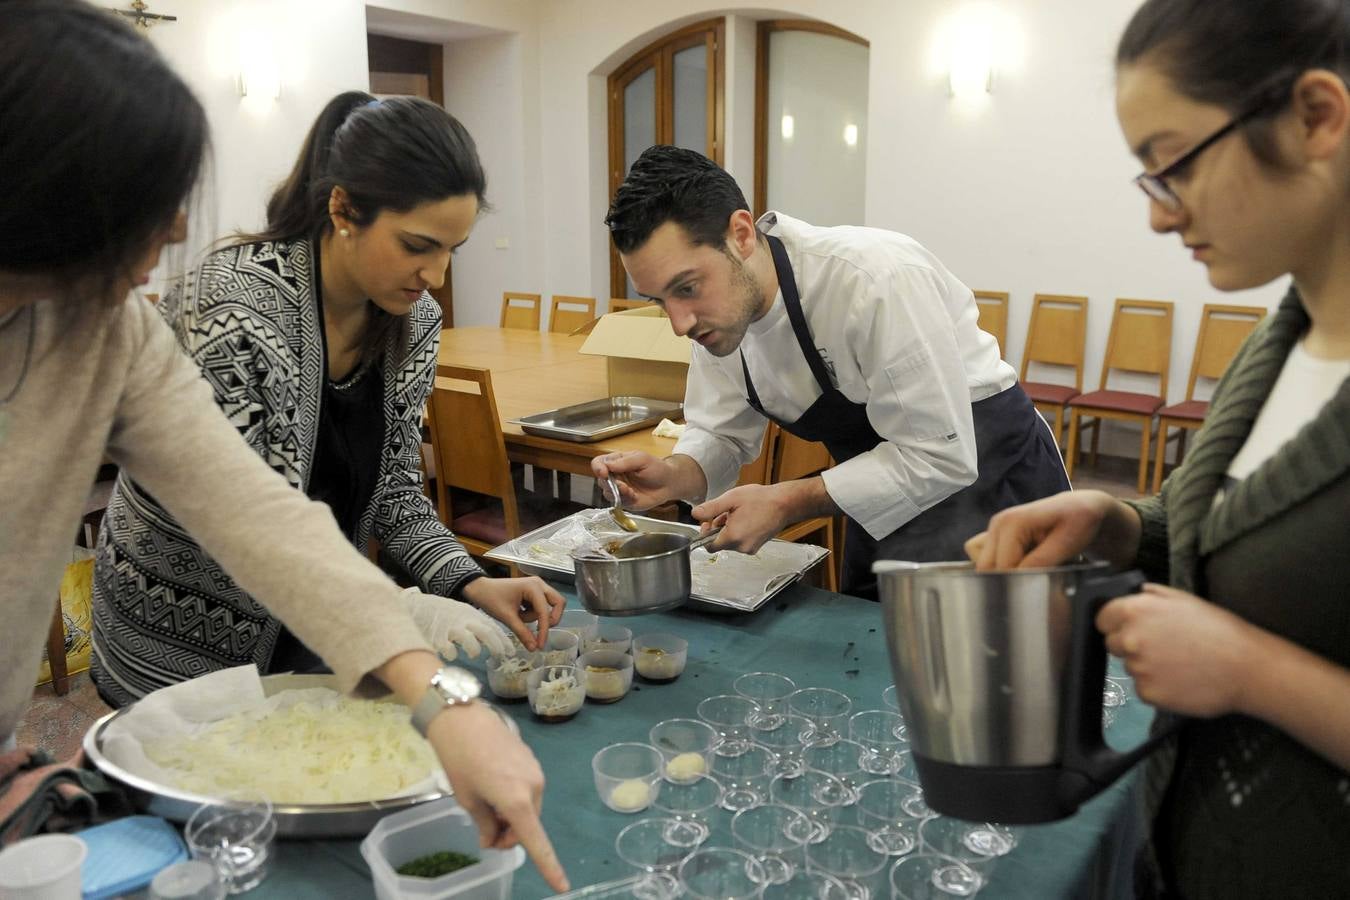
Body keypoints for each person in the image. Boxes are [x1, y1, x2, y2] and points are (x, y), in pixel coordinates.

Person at [0, 2, 567, 889]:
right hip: (177, 650)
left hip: (294, 643)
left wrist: (446, 681)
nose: (178, 231)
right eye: (149, 201)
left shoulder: (109, 333)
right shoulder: (233, 298)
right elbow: (247, 538)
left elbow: (263, 518)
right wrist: (416, 633)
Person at [966, 1, 1350, 896]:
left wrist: (1254, 674)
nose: (1159, 217)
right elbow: (1242, 545)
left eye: (1172, 164)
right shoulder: (1281, 341)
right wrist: (1118, 522)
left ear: (1316, 116)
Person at [91, 92, 565, 706]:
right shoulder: (231, 304)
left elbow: (393, 489)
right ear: (343, 209)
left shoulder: (411, 322)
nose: (437, 275)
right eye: (417, 246)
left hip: (318, 621)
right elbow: (242, 524)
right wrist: (404, 613)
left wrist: (469, 581)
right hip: (179, 640)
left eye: (452, 250)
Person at [593, 146, 1069, 599]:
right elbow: (723, 434)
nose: (679, 323)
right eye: (660, 301)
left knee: (1012, 661)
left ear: (740, 235)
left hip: (991, 484)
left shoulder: (874, 279)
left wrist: (787, 500)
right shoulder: (713, 319)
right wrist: (675, 473)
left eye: (688, 287)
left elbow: (939, 457)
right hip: (879, 493)